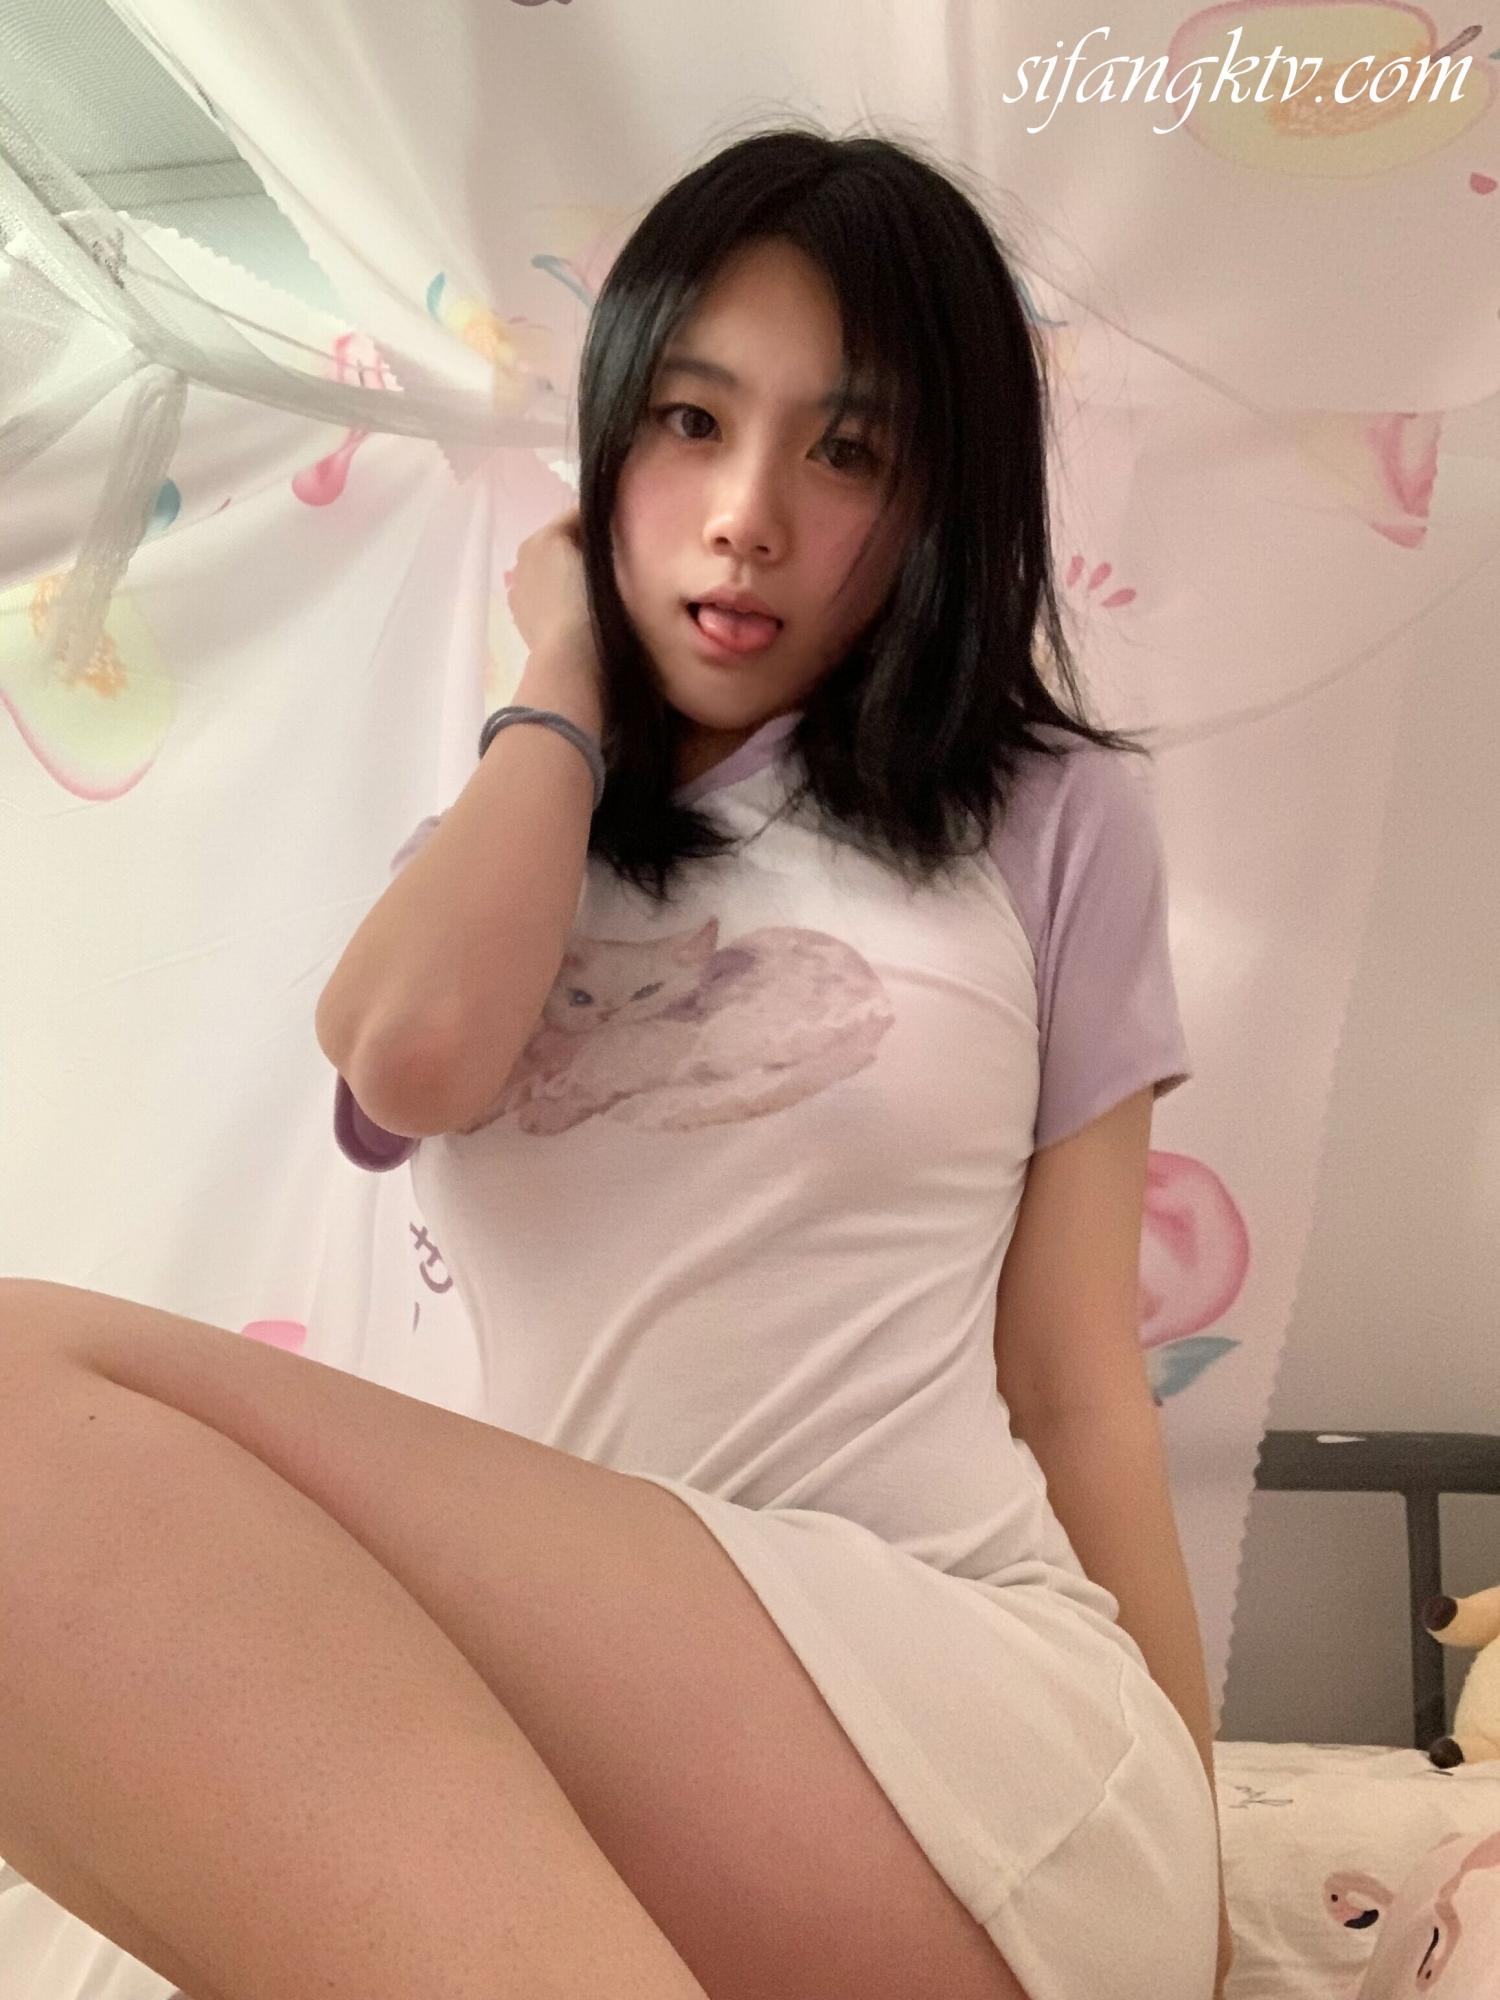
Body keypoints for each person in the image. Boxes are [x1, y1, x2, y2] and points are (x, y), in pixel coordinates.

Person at [331, 123, 1230, 1998]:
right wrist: (562, 677)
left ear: (938, 499)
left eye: (848, 450)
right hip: (596, 1704)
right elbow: (411, 1058)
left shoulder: (1049, 822)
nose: (748, 515)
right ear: (606, 444)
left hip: (959, 1694)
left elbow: (1074, 1382)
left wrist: (1196, 1850)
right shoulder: (508, 840)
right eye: (689, 421)